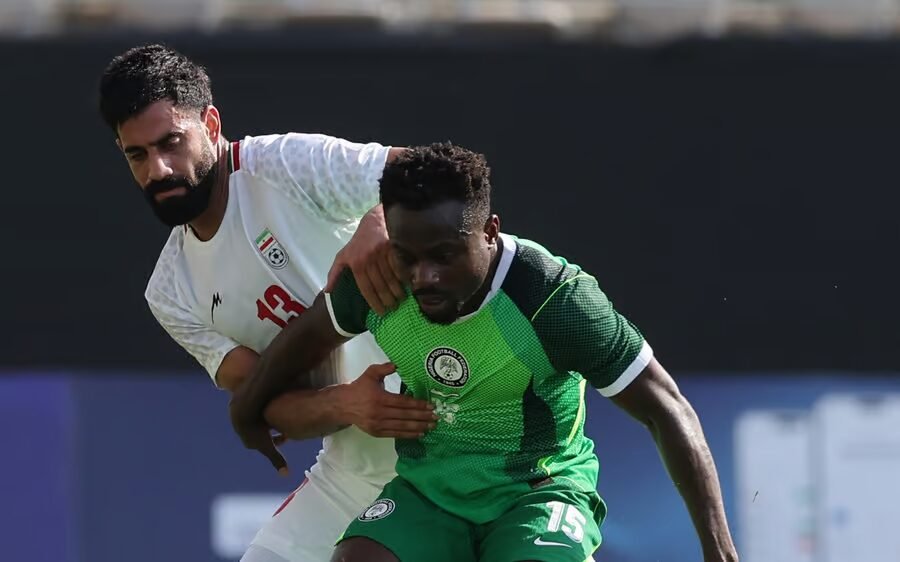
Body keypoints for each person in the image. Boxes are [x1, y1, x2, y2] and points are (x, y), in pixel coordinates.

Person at [230, 143, 740, 562]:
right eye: (408, 256)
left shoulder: (554, 301)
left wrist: (720, 553)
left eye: (444, 256)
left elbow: (666, 409)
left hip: (537, 491)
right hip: (430, 492)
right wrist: (246, 410)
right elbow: (301, 343)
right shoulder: (379, 280)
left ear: (490, 232)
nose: (424, 277)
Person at [98, 43, 439, 562]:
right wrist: (347, 404)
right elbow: (270, 403)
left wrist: (377, 222)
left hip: (463, 436)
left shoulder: (282, 165)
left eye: (171, 142)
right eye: (137, 155)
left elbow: (430, 175)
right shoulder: (170, 292)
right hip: (354, 471)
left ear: (211, 124)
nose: (159, 170)